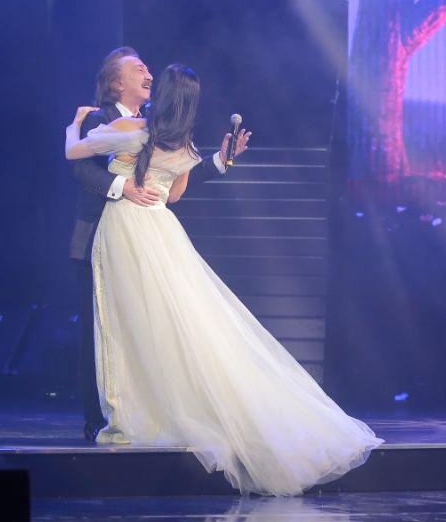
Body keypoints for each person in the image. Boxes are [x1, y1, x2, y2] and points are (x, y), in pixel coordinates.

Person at [66, 62, 383, 496]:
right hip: (160, 231)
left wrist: (75, 126)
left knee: (137, 322)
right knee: (172, 321)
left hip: (128, 228)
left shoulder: (131, 128)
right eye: (140, 70)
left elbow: (76, 156)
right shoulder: (178, 142)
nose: (148, 76)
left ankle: (138, 410)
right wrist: (171, 172)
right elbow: (171, 193)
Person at [69, 47, 249, 440]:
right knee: (100, 329)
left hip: (143, 235)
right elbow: (80, 168)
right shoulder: (101, 118)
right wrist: (123, 186)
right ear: (117, 82)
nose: (148, 74)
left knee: (149, 323)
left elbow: (173, 180)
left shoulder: (158, 125)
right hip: (100, 233)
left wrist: (221, 161)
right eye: (139, 69)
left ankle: (149, 410)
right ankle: (98, 417)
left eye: (149, 69)